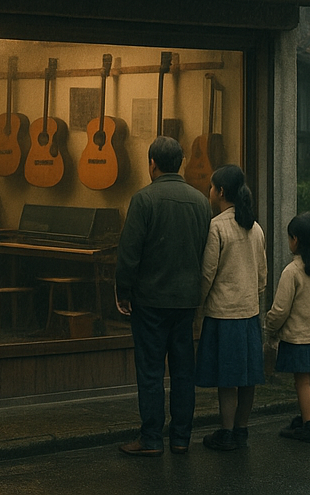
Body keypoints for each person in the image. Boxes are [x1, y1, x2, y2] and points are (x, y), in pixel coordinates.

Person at [114, 135, 212, 456]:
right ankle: (182, 438)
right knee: (184, 371)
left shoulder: (144, 200)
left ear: (152, 163)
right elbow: (204, 251)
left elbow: (129, 253)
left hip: (150, 300)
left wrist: (123, 291)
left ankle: (152, 438)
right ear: (181, 163)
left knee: (151, 371)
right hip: (186, 300)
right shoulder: (200, 201)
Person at [195, 164, 267, 451]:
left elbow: (206, 274)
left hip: (223, 314)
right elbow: (262, 276)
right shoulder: (256, 227)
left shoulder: (217, 227)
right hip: (249, 313)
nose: (209, 192)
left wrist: (197, 306)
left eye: (212, 187)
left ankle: (225, 432)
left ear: (221, 192)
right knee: (247, 376)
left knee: (227, 378)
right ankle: (241, 430)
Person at [265, 211, 310, 444]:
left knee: (301, 382)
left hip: (298, 338)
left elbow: (280, 309)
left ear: (296, 239)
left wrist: (270, 327)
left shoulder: (292, 271)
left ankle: (308, 425)